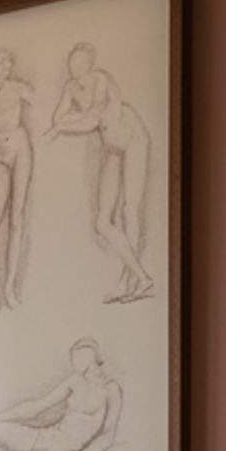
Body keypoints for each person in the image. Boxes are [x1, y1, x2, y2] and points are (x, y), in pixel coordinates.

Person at [47, 42, 152, 300]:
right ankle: (140, 276)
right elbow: (57, 117)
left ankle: (129, 281)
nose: (75, 65)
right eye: (73, 61)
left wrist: (62, 127)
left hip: (132, 138)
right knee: (102, 222)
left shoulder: (101, 79)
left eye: (81, 61)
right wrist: (61, 124)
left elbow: (92, 118)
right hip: (112, 146)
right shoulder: (70, 88)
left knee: (129, 210)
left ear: (90, 63)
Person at [0, 47, 36, 309]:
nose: (6, 69)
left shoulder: (19, 89)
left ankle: (9, 287)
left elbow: (42, 107)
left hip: (20, 149)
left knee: (16, 218)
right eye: (1, 65)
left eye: (8, 64)